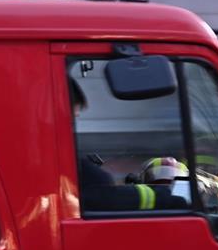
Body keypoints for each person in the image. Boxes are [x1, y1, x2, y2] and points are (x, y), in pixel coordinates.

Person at [69, 76, 188, 212]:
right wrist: (164, 196)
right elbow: (98, 198)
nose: (73, 125)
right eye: (71, 118)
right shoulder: (64, 165)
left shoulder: (69, 162)